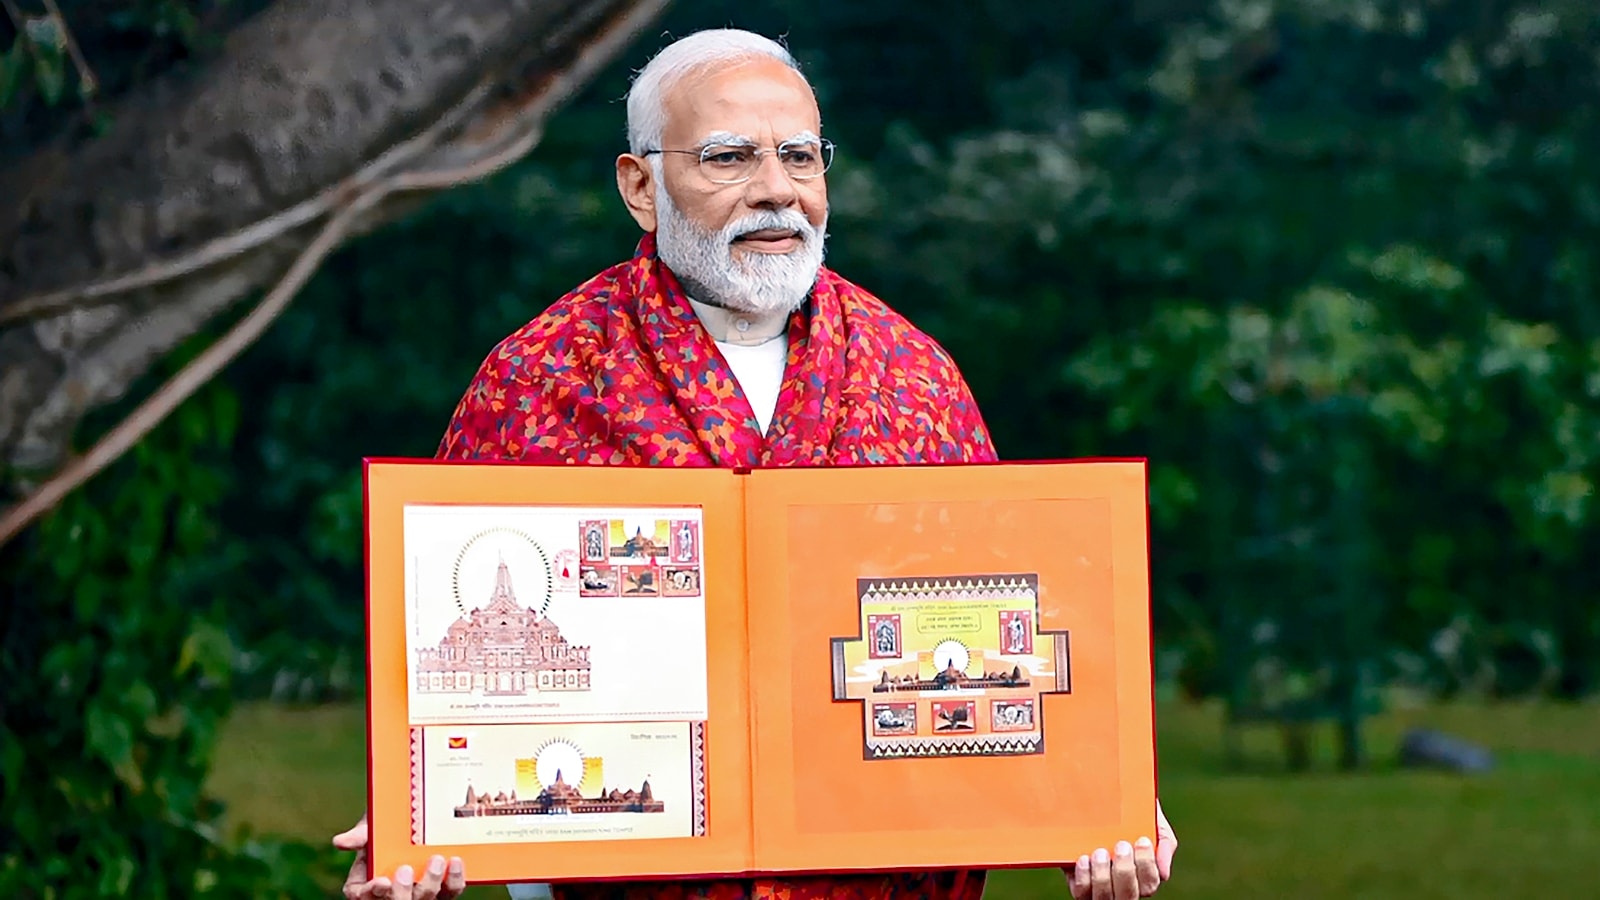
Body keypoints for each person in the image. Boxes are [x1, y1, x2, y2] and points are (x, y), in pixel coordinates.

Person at [335, 27, 1179, 900]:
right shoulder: (542, 378)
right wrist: (413, 826)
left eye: (801, 158)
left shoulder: (914, 376)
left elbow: (999, 621)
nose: (776, 192)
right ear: (640, 186)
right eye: (729, 158)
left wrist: (1097, 799)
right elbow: (436, 672)